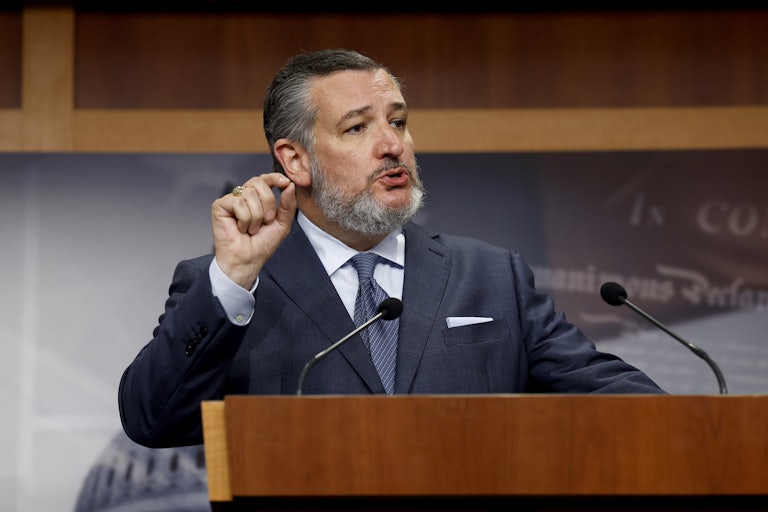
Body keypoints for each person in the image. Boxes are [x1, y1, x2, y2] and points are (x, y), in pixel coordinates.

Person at [118, 48, 665, 449]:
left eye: (398, 122)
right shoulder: (231, 287)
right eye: (358, 129)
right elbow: (152, 420)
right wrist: (233, 279)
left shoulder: (492, 276)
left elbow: (625, 404)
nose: (392, 144)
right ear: (295, 160)